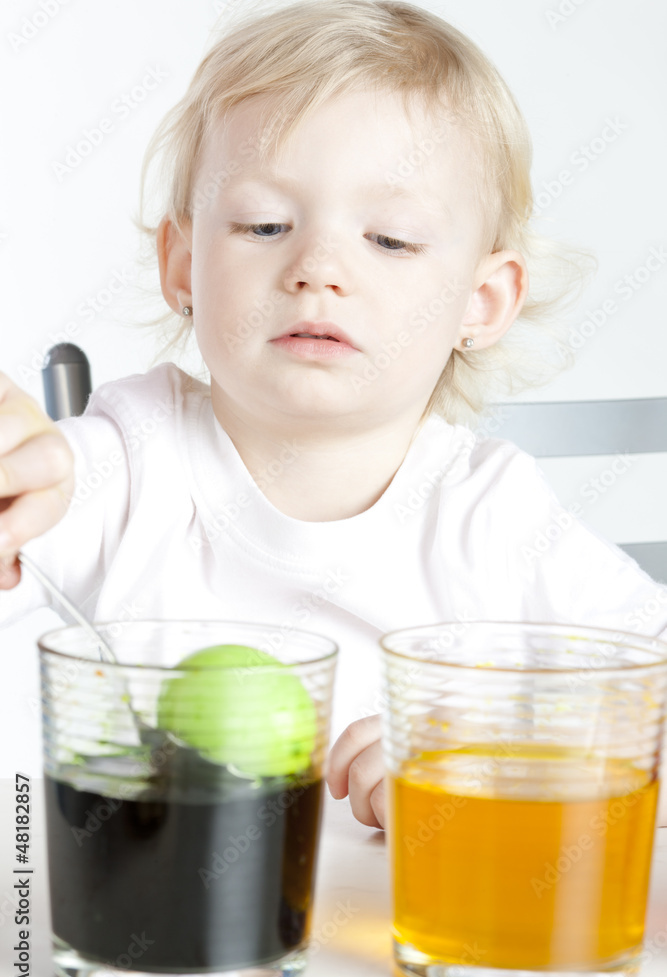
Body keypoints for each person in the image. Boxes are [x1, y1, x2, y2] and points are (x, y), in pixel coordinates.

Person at [1, 0, 665, 831]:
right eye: (264, 224)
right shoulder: (125, 465)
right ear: (182, 264)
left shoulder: (493, 518)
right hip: (149, 902)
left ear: (480, 300)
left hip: (403, 911)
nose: (317, 267)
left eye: (390, 239)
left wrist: (500, 754)